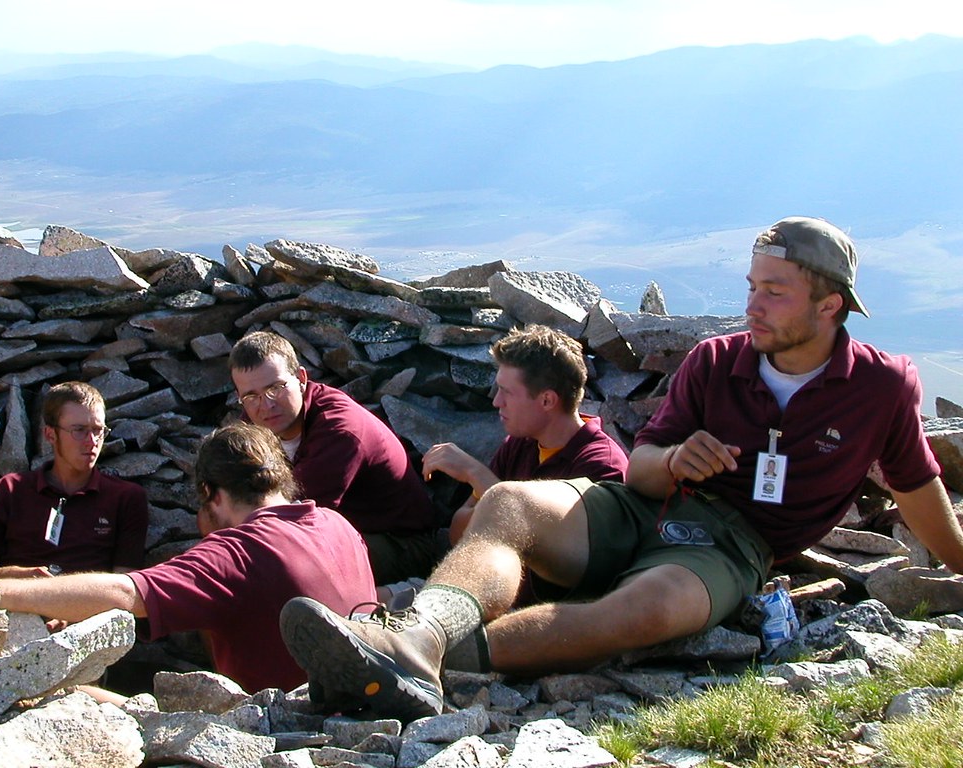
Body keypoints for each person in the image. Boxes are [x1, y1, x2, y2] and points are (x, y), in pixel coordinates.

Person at [278, 215, 963, 722]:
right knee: (511, 504)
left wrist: (961, 566)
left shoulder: (880, 387)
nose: (752, 304)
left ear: (830, 304)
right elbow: (638, 473)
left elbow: (915, 484)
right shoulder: (715, 361)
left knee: (649, 609)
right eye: (753, 286)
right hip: (645, 506)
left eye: (775, 292)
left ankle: (419, 662)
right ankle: (417, 638)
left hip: (733, 545)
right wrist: (673, 459)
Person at [0, 422, 376, 695]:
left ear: (211, 494)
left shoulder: (236, 553)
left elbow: (124, 591)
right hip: (367, 703)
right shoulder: (337, 524)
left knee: (59, 693)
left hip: (285, 728)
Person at [228, 330, 438, 584]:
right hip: (340, 534)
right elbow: (227, 495)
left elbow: (293, 521)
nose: (267, 404)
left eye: (276, 387)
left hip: (401, 544)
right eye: (251, 396)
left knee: (282, 570)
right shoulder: (256, 423)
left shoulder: (339, 429)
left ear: (301, 378)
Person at [422, 324, 628, 545]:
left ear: (547, 400)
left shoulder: (601, 467)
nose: (496, 401)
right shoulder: (521, 443)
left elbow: (560, 557)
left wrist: (477, 475)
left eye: (507, 392)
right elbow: (458, 536)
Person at [0, 381, 149, 579]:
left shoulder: (126, 498)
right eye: (79, 430)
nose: (92, 441)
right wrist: (19, 576)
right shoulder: (10, 490)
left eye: (98, 430)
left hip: (91, 606)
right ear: (51, 434)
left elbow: (125, 584)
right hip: (15, 603)